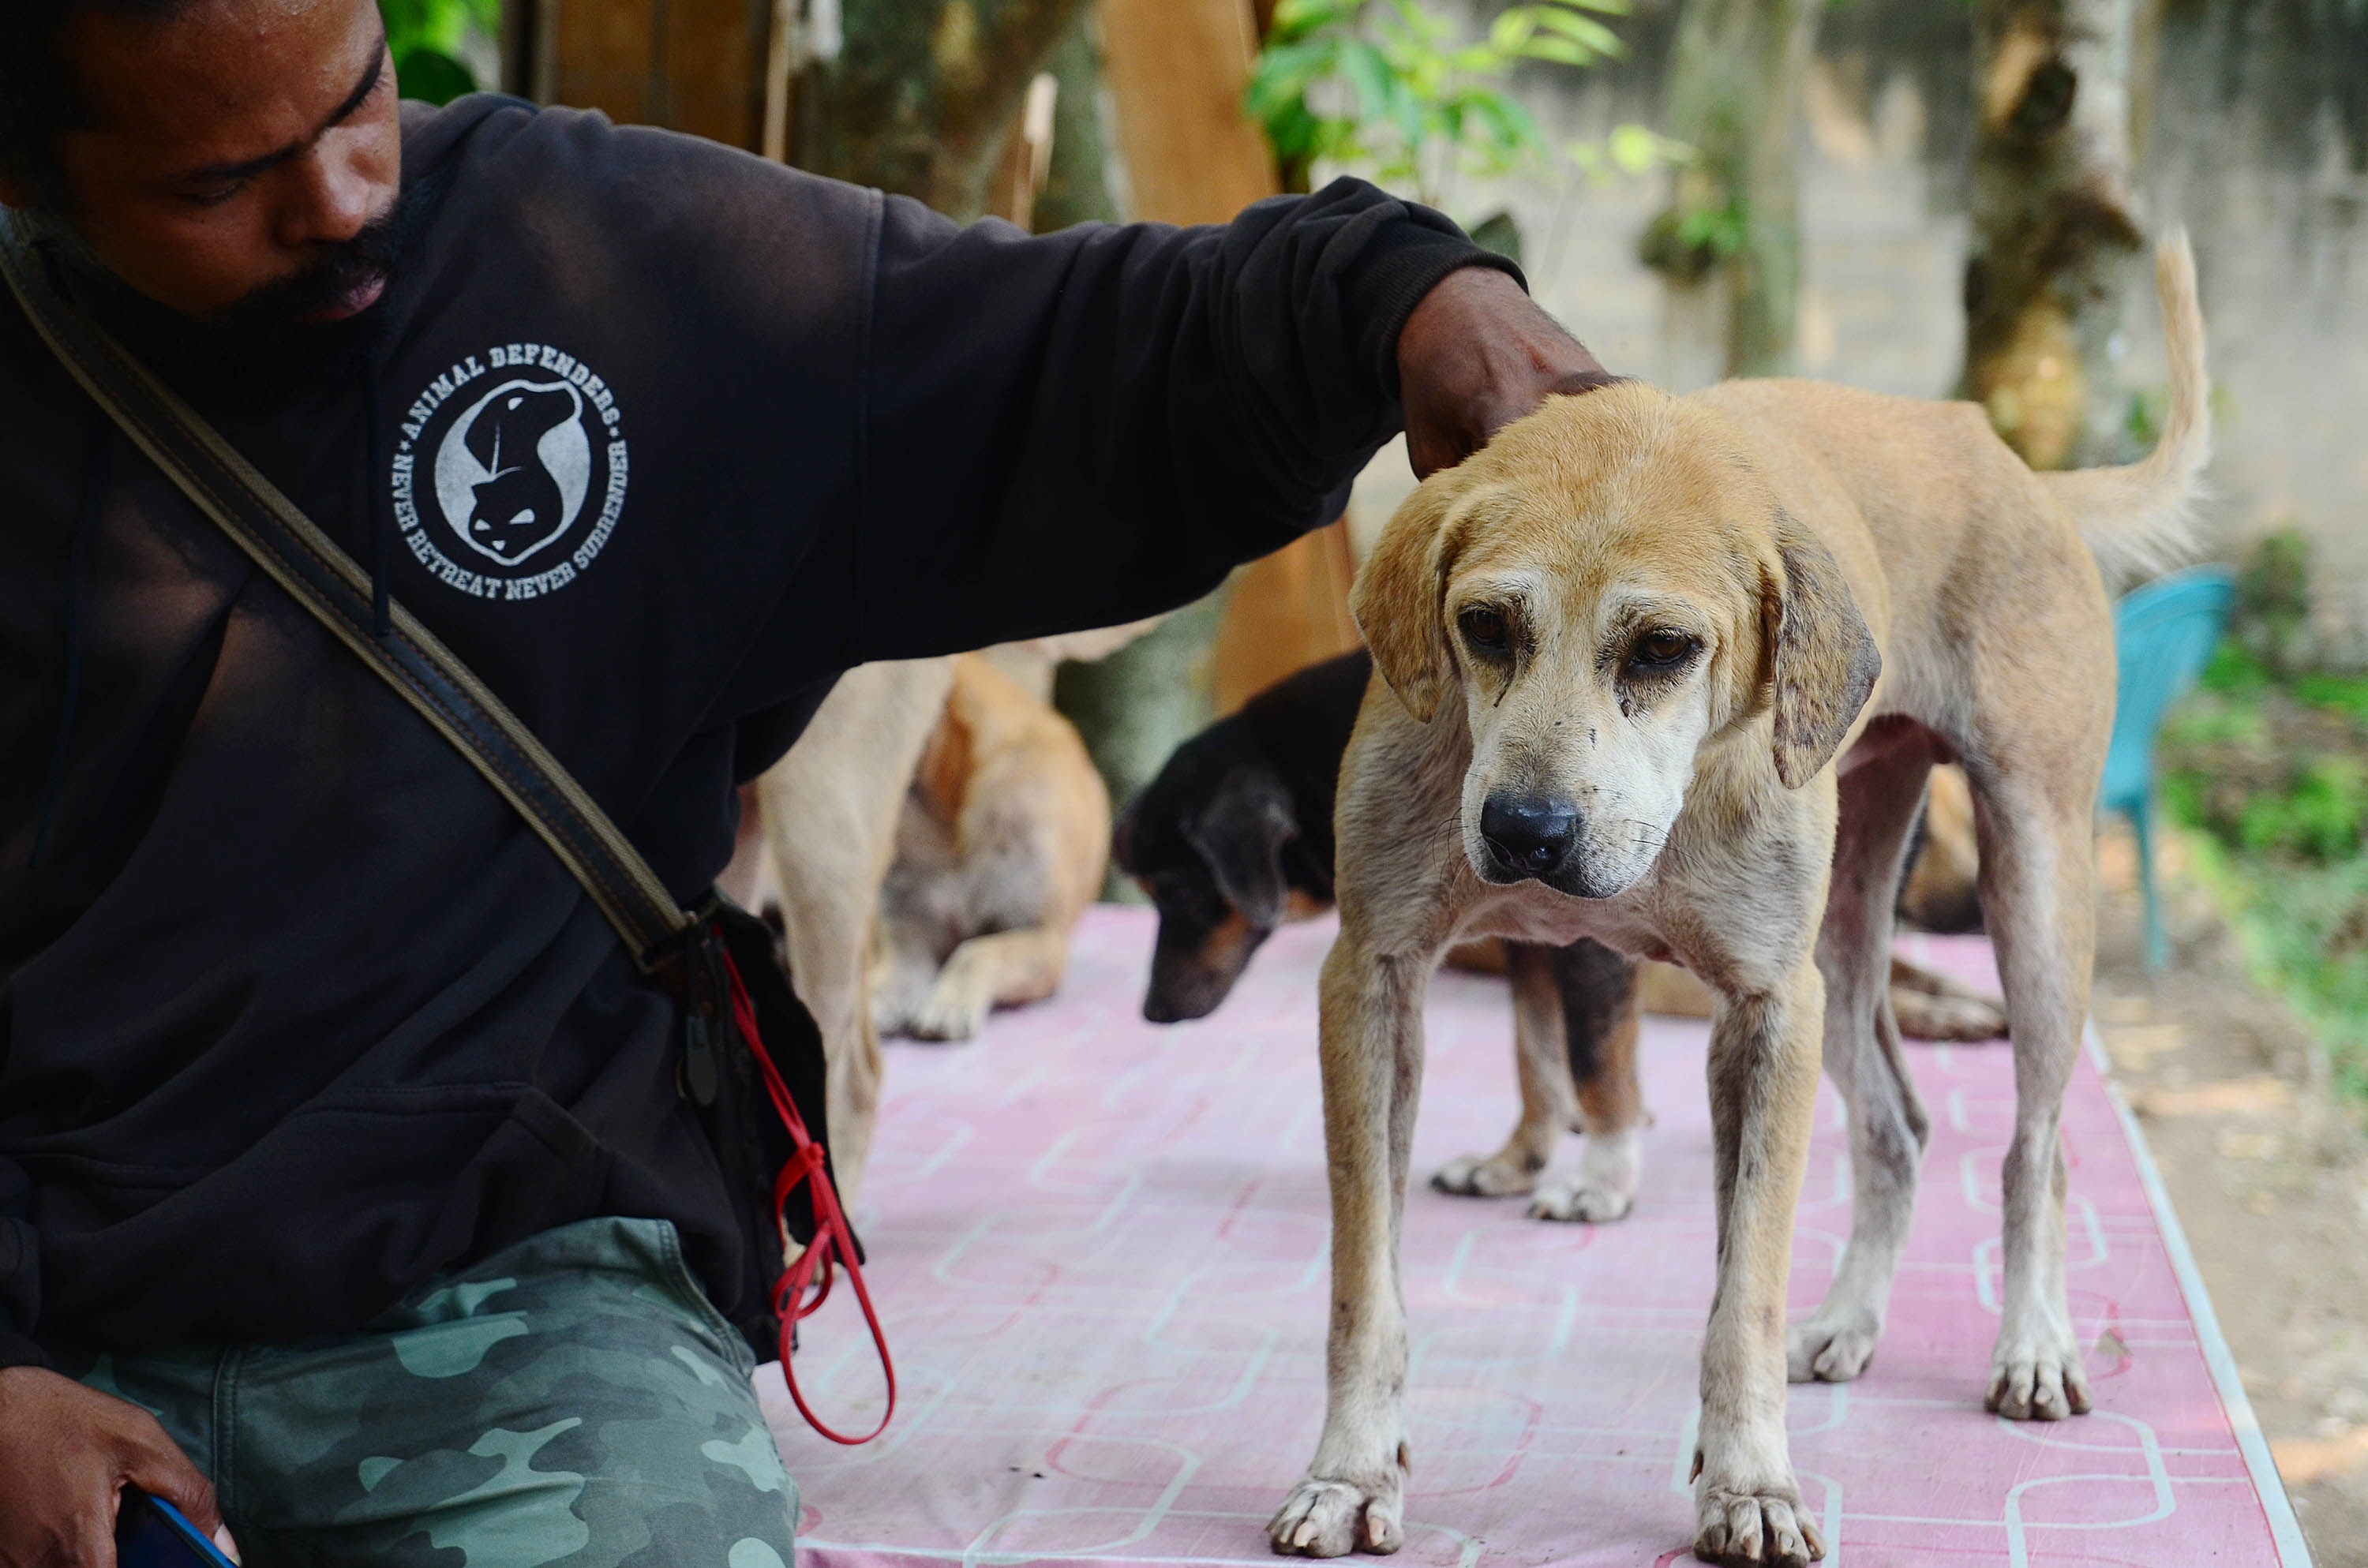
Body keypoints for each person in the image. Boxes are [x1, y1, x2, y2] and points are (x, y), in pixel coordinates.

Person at [0, 0, 1613, 1561]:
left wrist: (1404, 297)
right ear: (27, 176)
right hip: (46, 1312)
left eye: (355, 100)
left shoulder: (599, 252)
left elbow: (1076, 348)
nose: (344, 199)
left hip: (516, 1288)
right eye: (224, 182)